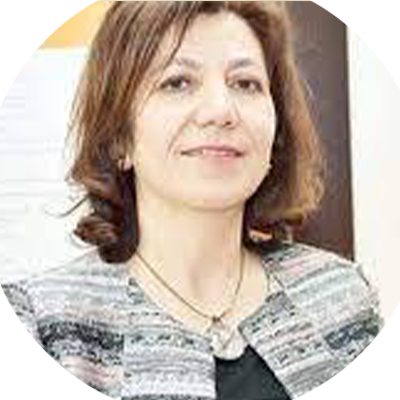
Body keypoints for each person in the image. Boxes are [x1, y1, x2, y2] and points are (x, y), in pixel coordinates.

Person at [0, 2, 397, 399]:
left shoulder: (341, 295)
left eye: (246, 83)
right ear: (119, 137)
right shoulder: (40, 324)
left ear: (276, 132)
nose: (221, 111)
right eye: (177, 82)